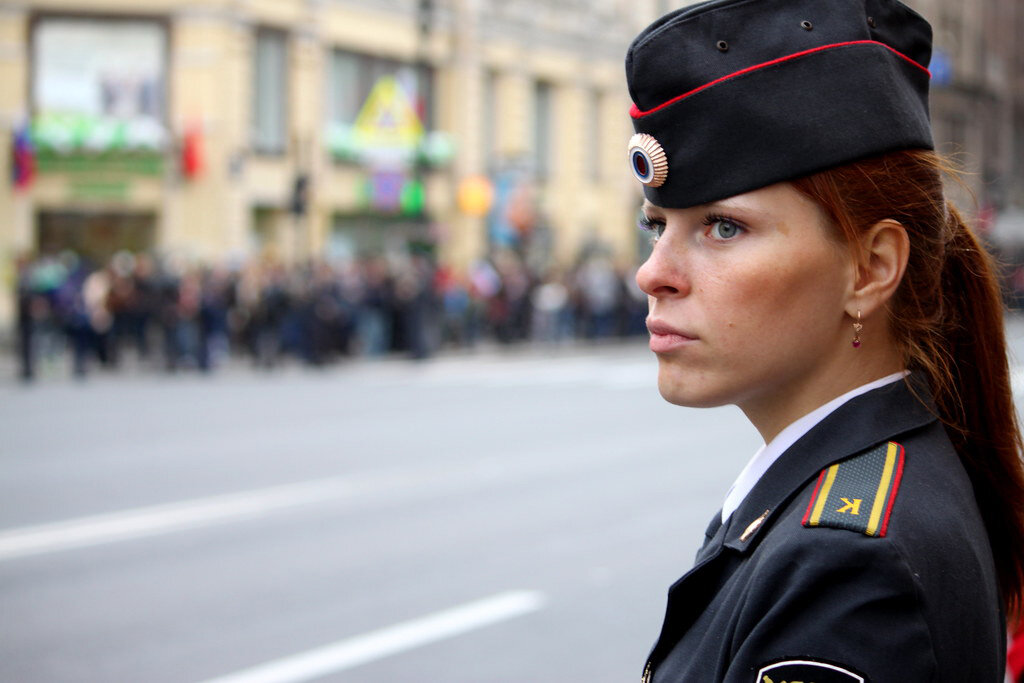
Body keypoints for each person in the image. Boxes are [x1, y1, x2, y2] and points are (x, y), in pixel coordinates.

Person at [625, 1, 1024, 681]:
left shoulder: (848, 566)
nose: (652, 273)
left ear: (870, 268)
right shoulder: (862, 482)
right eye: (657, 225)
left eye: (723, 227)